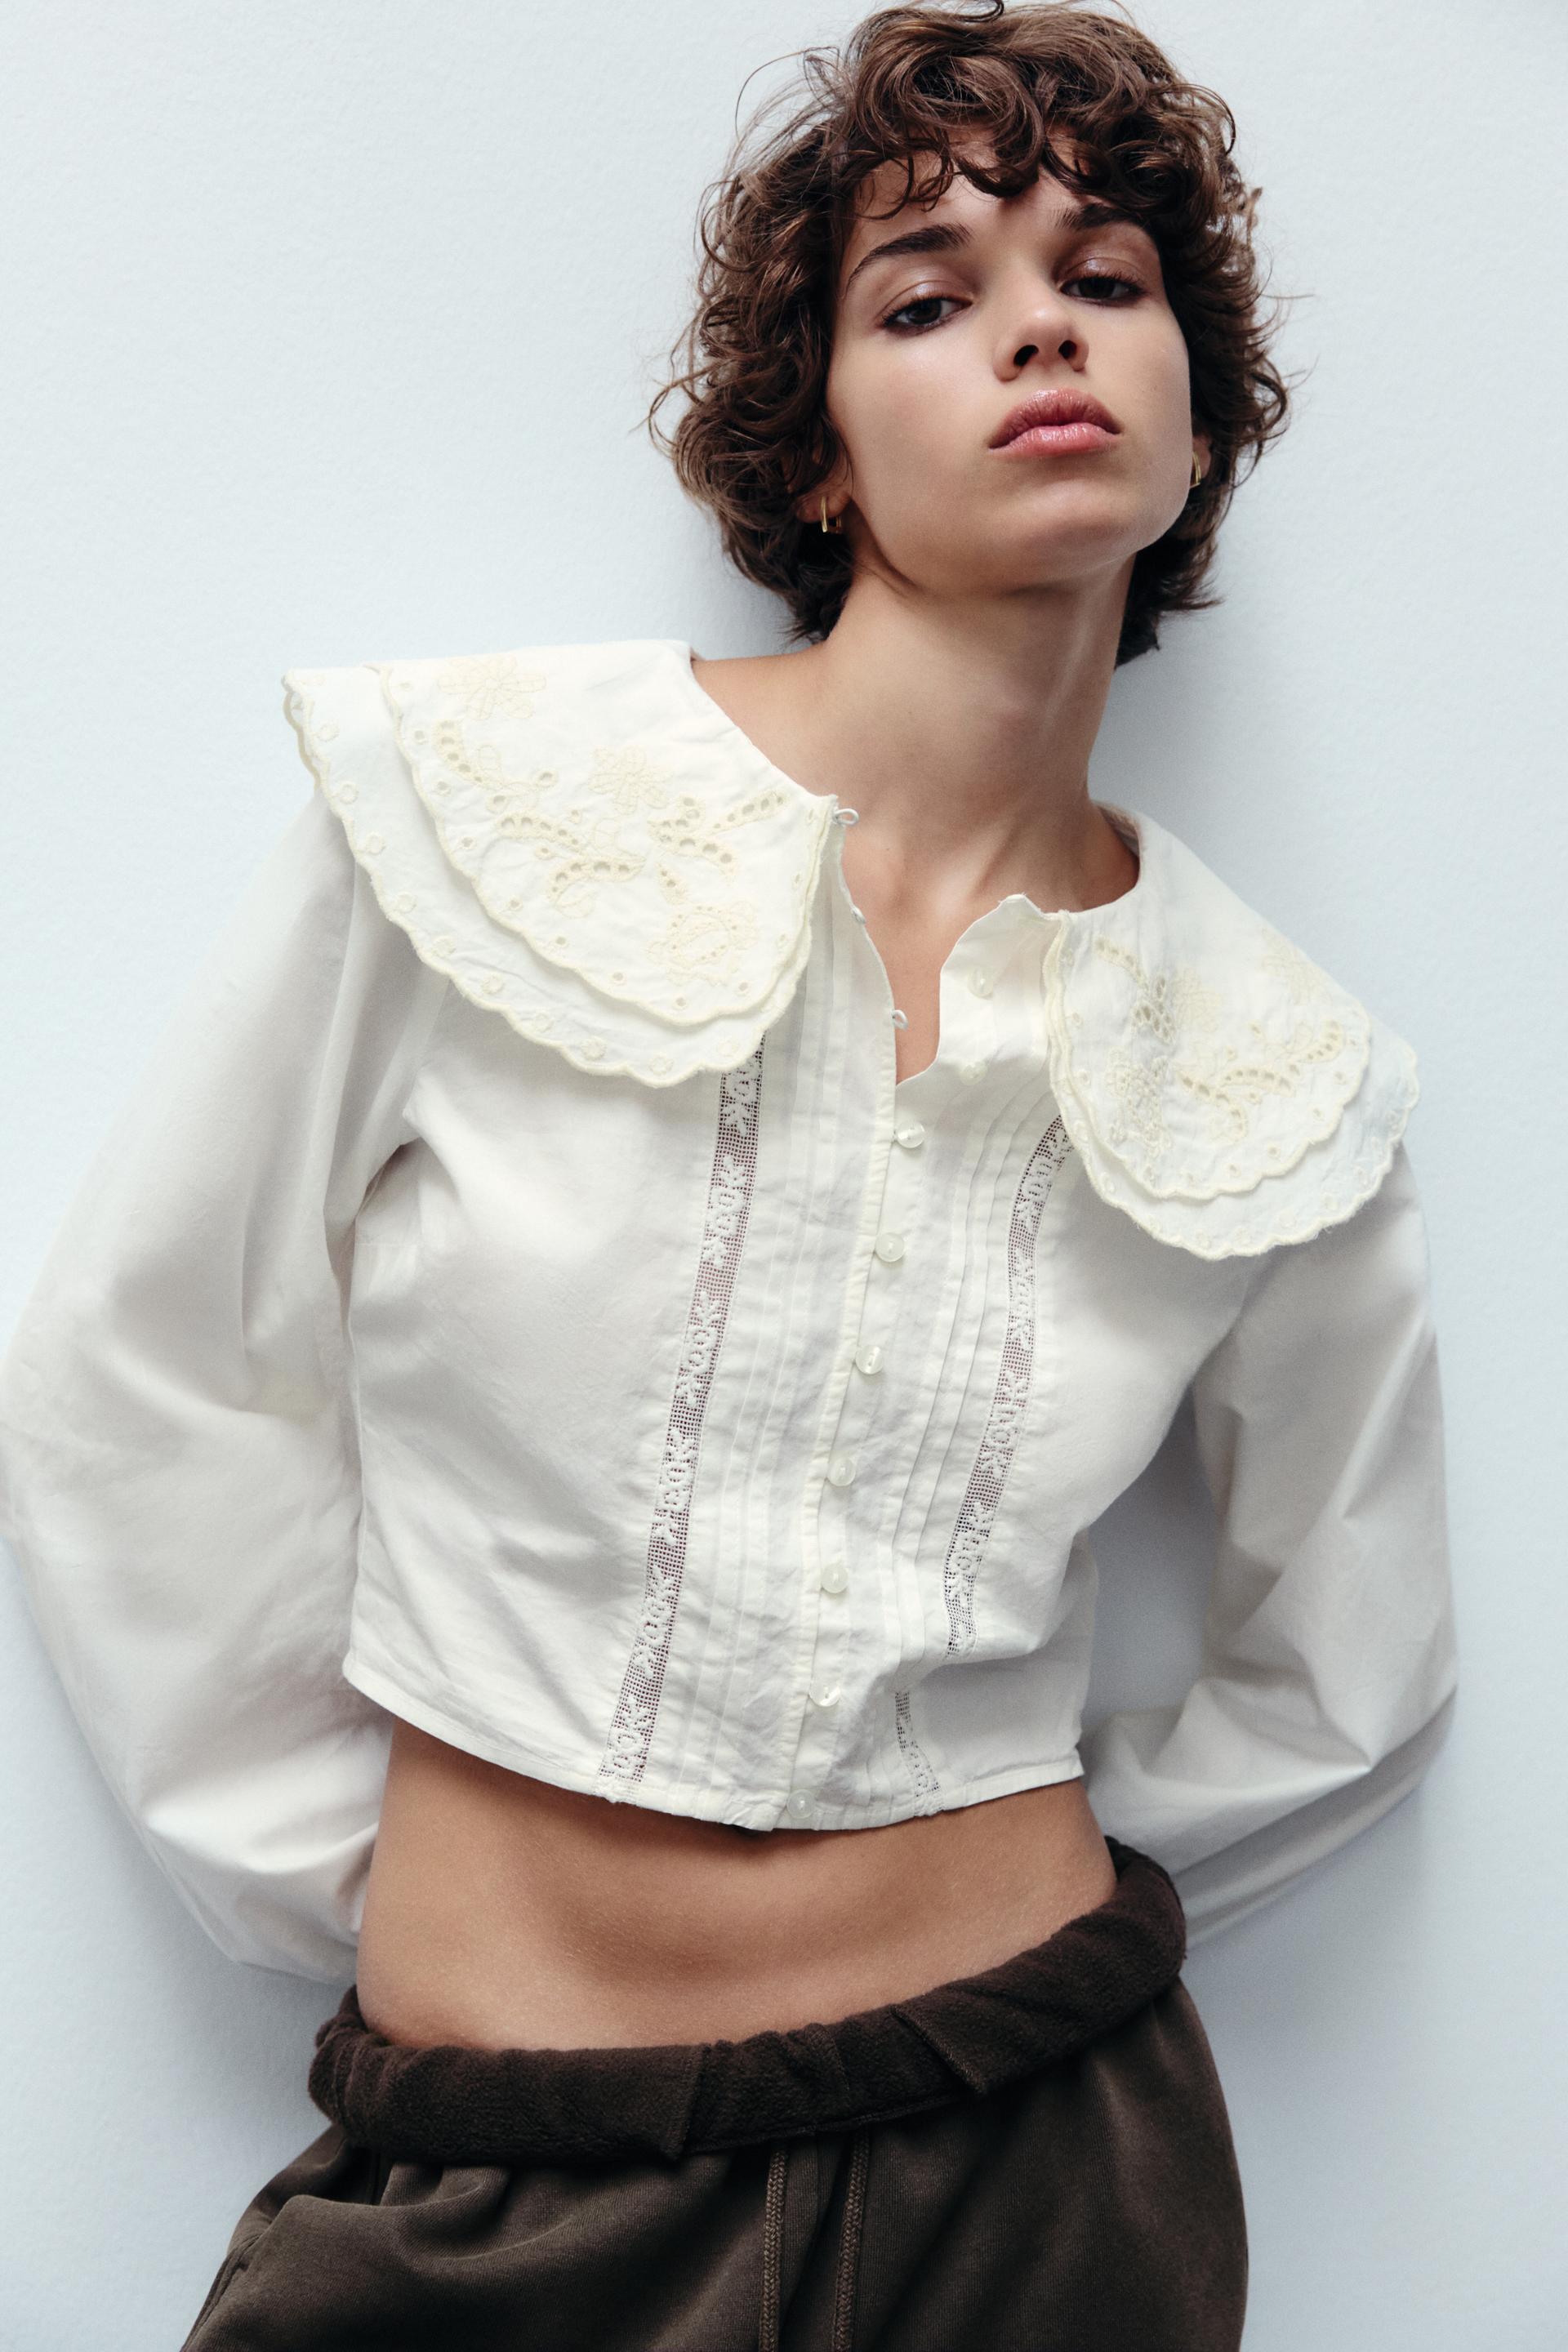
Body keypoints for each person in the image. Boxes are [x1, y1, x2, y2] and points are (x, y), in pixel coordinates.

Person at [0, 4, 1459, 2346]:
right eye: (928, 296)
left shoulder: (1273, 1059)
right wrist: (372, 1887)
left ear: (1196, 420)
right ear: (818, 454)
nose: (1042, 330)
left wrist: (1009, 1901)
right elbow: (142, 1371)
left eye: (1107, 279)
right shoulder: (488, 818)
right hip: (499, 2165)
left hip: (1042, 2169)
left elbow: (1351, 1665)